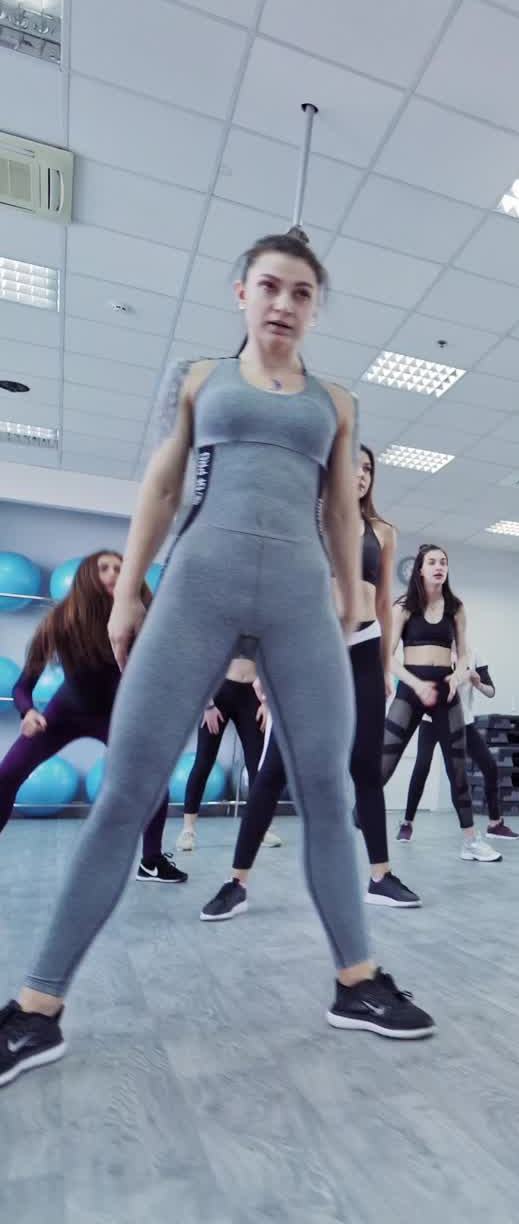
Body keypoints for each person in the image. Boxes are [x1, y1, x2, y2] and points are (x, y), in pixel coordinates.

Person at [0, 231, 436, 1089]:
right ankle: (36, 1009)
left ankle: (357, 982)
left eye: (302, 292)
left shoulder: (336, 401)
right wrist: (127, 596)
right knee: (128, 789)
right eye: (269, 286)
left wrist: (352, 597)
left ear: (315, 307)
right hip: (198, 589)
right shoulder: (202, 378)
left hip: (298, 605)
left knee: (327, 790)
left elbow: (343, 512)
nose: (283, 302)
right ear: (241, 292)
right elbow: (164, 483)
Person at [202, 442, 422, 918]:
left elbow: (384, 603)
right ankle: (236, 882)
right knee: (275, 769)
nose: (361, 475)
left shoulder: (382, 531)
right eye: (352, 468)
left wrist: (385, 664)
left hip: (364, 650)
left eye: (368, 469)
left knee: (366, 766)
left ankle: (380, 877)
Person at [0, 552, 181, 881]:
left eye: (120, 568)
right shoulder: (61, 621)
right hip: (63, 715)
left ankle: (151, 861)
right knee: (6, 774)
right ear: (86, 577)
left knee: (155, 784)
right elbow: (22, 685)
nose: (113, 573)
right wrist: (28, 711)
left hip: (117, 718)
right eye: (104, 568)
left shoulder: (144, 623)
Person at [385, 544, 500, 862]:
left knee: (458, 769)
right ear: (420, 569)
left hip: (445, 693)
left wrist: (457, 678)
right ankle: (355, 817)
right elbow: (387, 656)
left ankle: (470, 841)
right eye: (432, 562)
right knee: (385, 760)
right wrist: (415, 684)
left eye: (443, 562)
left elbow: (464, 655)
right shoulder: (404, 607)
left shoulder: (456, 608)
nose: (439, 566)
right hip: (411, 689)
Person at [177, 657, 270, 852]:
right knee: (204, 762)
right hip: (219, 693)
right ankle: (188, 830)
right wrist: (208, 705)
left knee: (258, 766)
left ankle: (258, 830)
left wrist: (265, 701)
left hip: (252, 694)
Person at [457, 652, 517, 840]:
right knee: (422, 766)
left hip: (464, 723)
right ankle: (407, 823)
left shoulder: (474, 655)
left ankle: (494, 823)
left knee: (490, 767)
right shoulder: (439, 652)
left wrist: (477, 683)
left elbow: (491, 691)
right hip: (434, 722)